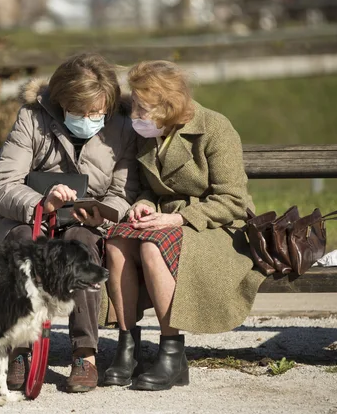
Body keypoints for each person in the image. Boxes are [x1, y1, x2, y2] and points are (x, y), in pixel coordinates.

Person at [101, 60, 265, 391]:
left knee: (152, 245)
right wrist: (143, 206)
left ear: (170, 106)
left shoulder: (215, 129)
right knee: (117, 240)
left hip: (217, 228)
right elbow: (149, 188)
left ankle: (172, 353)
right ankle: (126, 346)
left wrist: (176, 218)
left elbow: (233, 201)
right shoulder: (150, 132)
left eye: (142, 108)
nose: (135, 115)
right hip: (166, 218)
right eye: (135, 104)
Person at [0, 53, 139, 393]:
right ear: (61, 101)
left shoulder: (123, 127)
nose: (89, 119)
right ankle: (18, 349)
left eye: (97, 112)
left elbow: (124, 191)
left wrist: (103, 211)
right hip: (29, 218)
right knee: (22, 243)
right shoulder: (31, 118)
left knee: (83, 247)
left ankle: (85, 354)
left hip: (85, 222)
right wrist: (41, 204)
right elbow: (2, 186)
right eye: (81, 111)